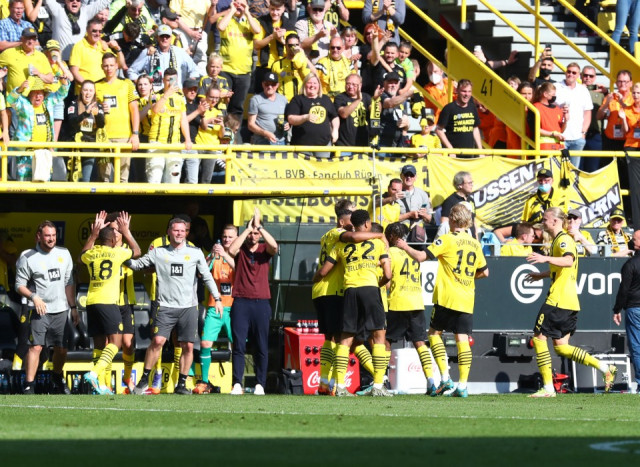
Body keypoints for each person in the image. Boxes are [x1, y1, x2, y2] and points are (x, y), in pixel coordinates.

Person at [397, 203, 488, 398]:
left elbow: (421, 256)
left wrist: (404, 246)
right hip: (467, 297)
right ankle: (462, 386)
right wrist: (466, 278)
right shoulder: (475, 243)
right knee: (462, 339)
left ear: (453, 219)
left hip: (447, 297)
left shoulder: (446, 239)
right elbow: (485, 272)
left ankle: (445, 377)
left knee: (434, 334)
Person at [525, 207, 618, 397]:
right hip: (569, 302)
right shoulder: (558, 240)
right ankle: (605, 368)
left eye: (545, 219)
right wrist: (541, 275)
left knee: (538, 338)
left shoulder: (563, 240)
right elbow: (563, 268)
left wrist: (544, 258)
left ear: (555, 221)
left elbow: (568, 261)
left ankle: (548, 388)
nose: (543, 222)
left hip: (558, 300)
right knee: (562, 347)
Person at [128, 217, 224, 395]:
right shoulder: (158, 252)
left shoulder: (195, 252)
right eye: (176, 230)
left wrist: (217, 298)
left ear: (186, 232)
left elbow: (207, 276)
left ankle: (181, 384)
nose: (179, 233)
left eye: (182, 230)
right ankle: (144, 380)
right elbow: (137, 265)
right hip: (165, 307)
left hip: (188, 308)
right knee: (157, 341)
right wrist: (123, 257)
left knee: (188, 346)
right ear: (169, 232)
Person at [314, 209, 391, 397]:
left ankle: (340, 386)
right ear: (367, 224)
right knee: (379, 336)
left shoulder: (339, 245)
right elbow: (388, 275)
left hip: (349, 291)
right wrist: (378, 284)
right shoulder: (378, 243)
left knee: (345, 338)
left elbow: (325, 269)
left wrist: (314, 279)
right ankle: (378, 385)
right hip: (370, 289)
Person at [15, 220, 78, 394]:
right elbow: (19, 285)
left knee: (61, 349)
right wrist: (34, 297)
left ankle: (56, 377)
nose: (51, 239)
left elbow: (69, 282)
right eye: (47, 236)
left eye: (54, 235)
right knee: (36, 347)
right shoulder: (27, 257)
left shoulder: (64, 253)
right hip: (38, 310)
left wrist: (73, 307)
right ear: (39, 236)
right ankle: (29, 385)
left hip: (61, 310)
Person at [81, 211, 141, 395]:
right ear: (113, 239)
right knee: (114, 343)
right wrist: (127, 232)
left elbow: (82, 255)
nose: (117, 233)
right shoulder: (118, 253)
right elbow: (138, 252)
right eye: (114, 231)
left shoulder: (92, 253)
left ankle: (102, 385)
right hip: (109, 301)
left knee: (104, 344)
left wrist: (93, 235)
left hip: (95, 301)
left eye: (119, 230)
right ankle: (96, 376)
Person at [227, 207, 278, 395]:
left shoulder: (264, 250)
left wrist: (260, 227)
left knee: (261, 345)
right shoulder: (241, 249)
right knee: (239, 344)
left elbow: (274, 247)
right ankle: (237, 383)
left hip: (261, 302)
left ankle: (260, 384)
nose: (253, 236)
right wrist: (248, 229)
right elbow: (231, 250)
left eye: (256, 233)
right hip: (241, 301)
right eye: (251, 233)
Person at [384, 222, 436, 393]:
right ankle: (431, 381)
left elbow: (388, 282)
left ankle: (382, 380)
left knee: (386, 341)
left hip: (398, 302)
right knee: (420, 342)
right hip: (416, 302)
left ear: (391, 237)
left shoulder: (390, 253)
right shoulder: (412, 253)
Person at [193, 224, 238, 394]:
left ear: (236, 238)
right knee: (205, 343)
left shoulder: (239, 255)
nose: (226, 240)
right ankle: (205, 382)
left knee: (238, 345)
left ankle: (237, 383)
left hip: (234, 307)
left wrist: (226, 255)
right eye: (224, 236)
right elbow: (200, 273)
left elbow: (241, 271)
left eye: (230, 237)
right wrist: (211, 256)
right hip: (215, 306)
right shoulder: (215, 254)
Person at [7, 76, 70, 182]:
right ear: (29, 94)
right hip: (26, 153)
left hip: (44, 153)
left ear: (44, 95)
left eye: (40, 93)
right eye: (35, 93)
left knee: (43, 183)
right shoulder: (23, 104)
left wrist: (64, 83)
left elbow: (61, 94)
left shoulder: (48, 102)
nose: (38, 96)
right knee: (24, 182)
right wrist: (19, 89)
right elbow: (10, 99)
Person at [95, 52, 140, 183]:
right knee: (104, 178)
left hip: (124, 136)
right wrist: (98, 108)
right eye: (105, 65)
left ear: (116, 66)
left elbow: (134, 109)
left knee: (122, 178)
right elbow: (89, 109)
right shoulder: (96, 86)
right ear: (101, 67)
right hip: (103, 136)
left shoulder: (127, 84)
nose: (108, 68)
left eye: (111, 65)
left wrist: (135, 133)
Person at [146, 67, 192, 184]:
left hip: (174, 143)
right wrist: (167, 94)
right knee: (154, 178)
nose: (170, 83)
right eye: (168, 80)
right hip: (157, 142)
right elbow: (155, 110)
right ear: (163, 80)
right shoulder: (154, 95)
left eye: (173, 80)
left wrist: (187, 139)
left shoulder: (180, 97)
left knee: (174, 178)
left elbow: (183, 119)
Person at [217, 0, 261, 116]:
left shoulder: (251, 21)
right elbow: (221, 27)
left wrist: (247, 13)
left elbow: (257, 30)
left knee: (237, 106)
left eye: (242, 4)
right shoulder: (226, 19)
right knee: (222, 103)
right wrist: (232, 10)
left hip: (244, 71)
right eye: (237, 3)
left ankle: (234, 127)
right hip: (226, 69)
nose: (239, 7)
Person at [127, 24, 200, 91]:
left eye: (167, 36)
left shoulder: (180, 52)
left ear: (171, 38)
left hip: (176, 94)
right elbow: (131, 71)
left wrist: (188, 84)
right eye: (162, 36)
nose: (165, 39)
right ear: (157, 37)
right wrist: (143, 85)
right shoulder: (148, 52)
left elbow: (195, 70)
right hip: (155, 94)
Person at [612, 229, 640, 393]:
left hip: (635, 308)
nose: (631, 241)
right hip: (634, 308)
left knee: (637, 347)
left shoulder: (630, 264)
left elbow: (624, 290)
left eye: (634, 239)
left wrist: (617, 309)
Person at [285, 73, 338, 157]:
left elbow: (334, 117)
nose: (312, 85)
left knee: (323, 166)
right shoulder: (298, 99)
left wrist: (335, 130)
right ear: (304, 84)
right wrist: (305, 117)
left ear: (319, 85)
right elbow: (291, 118)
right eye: (309, 83)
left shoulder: (326, 99)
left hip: (323, 146)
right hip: (301, 146)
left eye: (315, 83)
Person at [64, 80, 106, 182]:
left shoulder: (98, 106)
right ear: (81, 91)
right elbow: (72, 122)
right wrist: (86, 113)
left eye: (91, 90)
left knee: (85, 178)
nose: (88, 93)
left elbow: (101, 124)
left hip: (90, 147)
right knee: (73, 179)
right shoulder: (74, 104)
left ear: (94, 92)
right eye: (85, 90)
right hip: (75, 147)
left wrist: (98, 115)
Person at [69, 18, 125, 95]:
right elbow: (74, 71)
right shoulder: (79, 46)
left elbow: (120, 65)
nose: (97, 34)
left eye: (100, 31)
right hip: (86, 93)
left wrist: (118, 49)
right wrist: (89, 87)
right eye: (94, 31)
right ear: (87, 31)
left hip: (104, 91)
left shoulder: (102, 46)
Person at [44, 0, 112, 62]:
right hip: (60, 61)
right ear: (66, 1)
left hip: (79, 61)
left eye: (78, 0)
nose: (75, 2)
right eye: (71, 0)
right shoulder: (58, 11)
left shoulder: (85, 12)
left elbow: (104, 2)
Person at [555, 62, 593, 169]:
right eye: (569, 71)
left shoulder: (583, 90)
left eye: (574, 72)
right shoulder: (556, 87)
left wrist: (583, 133)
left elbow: (587, 113)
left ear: (578, 75)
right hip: (560, 137)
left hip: (577, 137)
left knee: (573, 170)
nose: (571, 74)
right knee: (558, 169)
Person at [253, 0, 294, 93]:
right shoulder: (261, 22)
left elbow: (293, 48)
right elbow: (256, 45)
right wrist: (272, 36)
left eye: (278, 10)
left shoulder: (289, 25)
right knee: (262, 96)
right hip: (264, 66)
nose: (275, 12)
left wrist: (281, 40)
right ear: (268, 7)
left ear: (283, 9)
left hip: (282, 67)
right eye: (272, 9)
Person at [435, 79, 483, 153]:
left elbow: (475, 128)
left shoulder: (472, 107)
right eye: (464, 91)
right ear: (457, 90)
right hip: (453, 155)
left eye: (469, 91)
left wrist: (480, 151)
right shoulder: (449, 108)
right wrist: (451, 150)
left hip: (469, 154)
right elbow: (439, 130)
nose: (467, 94)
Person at [334, 73, 379, 148]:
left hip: (363, 145)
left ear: (360, 85)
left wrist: (376, 100)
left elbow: (376, 113)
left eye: (354, 84)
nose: (350, 87)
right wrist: (358, 100)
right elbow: (343, 114)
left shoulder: (366, 97)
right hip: (344, 145)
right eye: (348, 84)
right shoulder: (340, 97)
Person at [248, 71, 289, 145]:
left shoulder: (283, 99)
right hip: (262, 141)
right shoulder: (256, 99)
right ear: (262, 84)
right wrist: (265, 133)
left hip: (281, 141)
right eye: (267, 84)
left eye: (273, 84)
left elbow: (288, 119)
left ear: (277, 85)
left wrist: (288, 125)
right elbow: (250, 125)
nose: (270, 87)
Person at [271, 31, 313, 101]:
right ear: (285, 46)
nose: (293, 48)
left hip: (300, 101)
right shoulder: (277, 64)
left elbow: (310, 79)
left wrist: (302, 56)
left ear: (299, 45)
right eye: (290, 45)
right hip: (283, 102)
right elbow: (272, 85)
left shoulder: (304, 61)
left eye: (296, 45)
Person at [438, 171, 478, 239]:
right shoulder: (450, 201)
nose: (472, 185)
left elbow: (473, 221)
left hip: (471, 240)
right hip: (456, 241)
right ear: (460, 185)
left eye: (472, 182)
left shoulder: (471, 200)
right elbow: (444, 224)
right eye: (469, 183)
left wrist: (477, 240)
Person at [580, 66, 605, 172]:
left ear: (595, 78)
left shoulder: (601, 94)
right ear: (581, 76)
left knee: (593, 169)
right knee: (577, 167)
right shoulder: (574, 91)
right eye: (585, 75)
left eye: (591, 76)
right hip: (578, 134)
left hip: (594, 134)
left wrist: (606, 92)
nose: (588, 78)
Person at [528, 82, 566, 151]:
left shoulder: (557, 109)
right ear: (545, 94)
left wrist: (566, 120)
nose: (554, 97)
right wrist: (553, 134)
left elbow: (561, 130)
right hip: (543, 148)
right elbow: (535, 129)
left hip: (558, 148)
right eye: (553, 95)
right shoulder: (535, 108)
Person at [315, 36, 356, 100]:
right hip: (327, 100)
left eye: (338, 48)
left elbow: (355, 80)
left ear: (343, 48)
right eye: (332, 47)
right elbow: (314, 81)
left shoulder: (348, 63)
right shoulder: (321, 63)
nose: (335, 50)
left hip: (345, 100)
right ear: (329, 48)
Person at [295, 0, 336, 64]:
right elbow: (301, 44)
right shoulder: (301, 24)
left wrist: (333, 36)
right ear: (310, 9)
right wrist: (318, 36)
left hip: (327, 66)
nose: (317, 12)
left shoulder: (329, 25)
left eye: (320, 9)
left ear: (324, 10)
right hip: (308, 66)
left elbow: (339, 47)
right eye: (315, 9)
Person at [379, 71, 411, 148]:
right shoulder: (380, 95)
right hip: (383, 143)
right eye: (390, 82)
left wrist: (406, 124)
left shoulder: (402, 101)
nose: (393, 85)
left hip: (397, 143)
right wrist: (409, 94)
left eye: (395, 83)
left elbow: (406, 125)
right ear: (384, 84)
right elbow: (390, 103)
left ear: (399, 84)